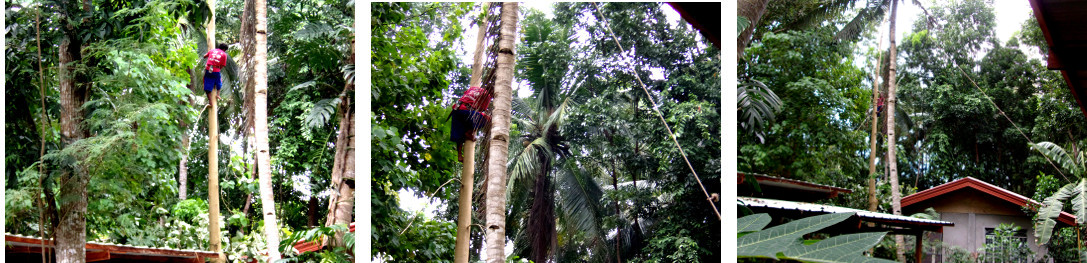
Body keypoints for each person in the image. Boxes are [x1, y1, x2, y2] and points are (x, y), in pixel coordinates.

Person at [450, 86, 492, 162]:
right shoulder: (487, 96)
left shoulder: (474, 88)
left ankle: (459, 155)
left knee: (459, 131)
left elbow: (465, 94)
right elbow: (481, 109)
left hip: (456, 109)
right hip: (465, 111)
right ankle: (469, 133)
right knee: (487, 119)